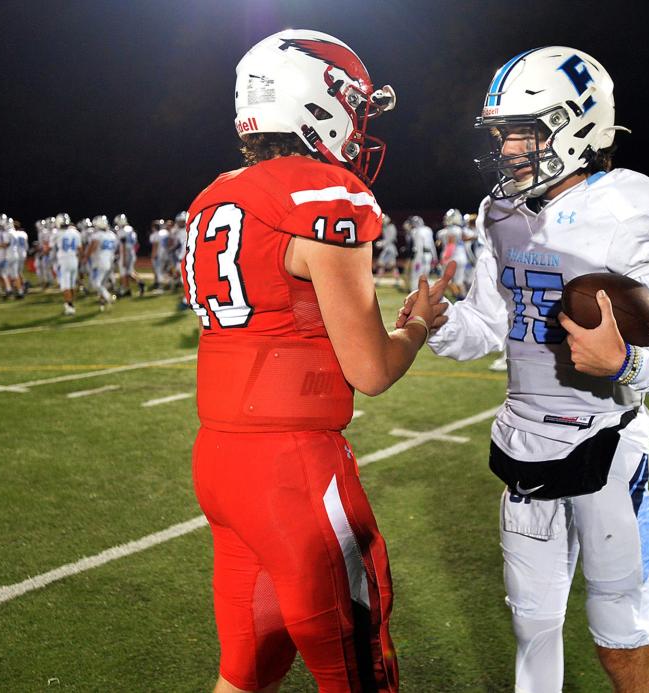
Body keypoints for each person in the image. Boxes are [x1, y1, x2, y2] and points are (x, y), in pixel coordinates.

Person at [398, 46, 649, 693]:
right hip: (522, 442)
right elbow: (490, 323)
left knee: (622, 645)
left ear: (577, 125)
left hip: (605, 444)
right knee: (533, 634)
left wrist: (626, 360)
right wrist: (441, 323)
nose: (509, 147)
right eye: (503, 133)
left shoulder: (633, 207)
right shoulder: (501, 210)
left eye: (524, 130)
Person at [181, 29, 451, 693]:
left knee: (246, 669)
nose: (359, 128)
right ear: (316, 104)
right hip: (294, 474)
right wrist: (419, 322)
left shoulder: (216, 195)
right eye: (355, 107)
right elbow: (371, 370)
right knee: (361, 670)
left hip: (219, 461)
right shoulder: (325, 196)